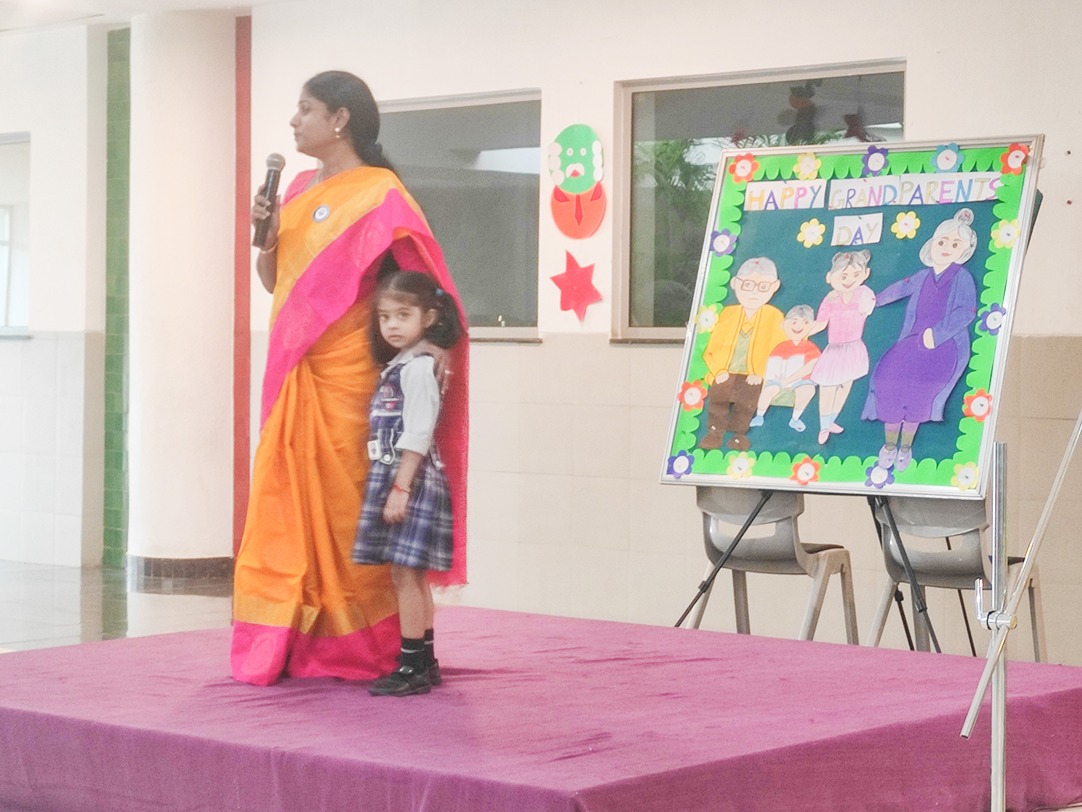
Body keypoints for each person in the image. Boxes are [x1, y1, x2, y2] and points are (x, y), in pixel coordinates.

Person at [231, 71, 469, 687]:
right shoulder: (296, 189)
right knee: (288, 508)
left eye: (305, 109)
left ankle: (381, 645)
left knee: (350, 512)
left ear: (339, 120)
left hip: (352, 377)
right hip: (295, 371)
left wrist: (434, 346)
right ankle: (296, 640)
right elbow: (275, 283)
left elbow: (419, 282)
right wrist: (266, 239)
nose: (293, 121)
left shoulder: (380, 194)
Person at [353, 271, 464, 696]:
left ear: (428, 317)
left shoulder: (418, 369)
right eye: (385, 317)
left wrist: (400, 488)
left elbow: (418, 431)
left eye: (403, 315)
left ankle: (412, 665)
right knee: (409, 575)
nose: (392, 325)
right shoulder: (400, 366)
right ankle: (425, 662)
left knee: (406, 575)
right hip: (400, 476)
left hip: (409, 478)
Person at [862, 208, 978, 473]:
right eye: (942, 242)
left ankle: (905, 448)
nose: (947, 248)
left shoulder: (961, 277)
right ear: (932, 244)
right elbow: (902, 286)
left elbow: (966, 312)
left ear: (965, 250)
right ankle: (889, 445)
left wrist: (936, 335)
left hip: (942, 348)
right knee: (887, 383)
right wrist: (875, 300)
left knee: (919, 396)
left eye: (955, 244)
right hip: (911, 342)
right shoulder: (923, 275)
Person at [700, 256, 786, 451]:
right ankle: (714, 432)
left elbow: (779, 351)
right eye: (747, 285)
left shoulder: (774, 316)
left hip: (753, 374)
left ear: (774, 287)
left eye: (763, 287)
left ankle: (739, 435)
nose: (754, 292)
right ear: (735, 284)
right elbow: (711, 348)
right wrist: (718, 370)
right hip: (725, 371)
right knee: (719, 396)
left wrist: (761, 372)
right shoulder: (727, 314)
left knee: (748, 399)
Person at [809, 250, 876, 444]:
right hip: (835, 349)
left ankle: (831, 421)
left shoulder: (864, 294)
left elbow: (867, 307)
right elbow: (821, 324)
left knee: (845, 385)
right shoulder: (830, 299)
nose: (849, 280)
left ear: (865, 274)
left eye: (855, 274)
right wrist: (804, 330)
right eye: (843, 276)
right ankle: (823, 426)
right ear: (830, 277)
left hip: (853, 347)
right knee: (827, 387)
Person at [749, 304, 821, 432]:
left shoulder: (811, 348)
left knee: (808, 390)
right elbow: (771, 366)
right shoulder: (780, 347)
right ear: (784, 325)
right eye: (794, 322)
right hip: (778, 379)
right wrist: (775, 378)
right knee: (769, 390)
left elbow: (811, 367)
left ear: (812, 326)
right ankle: (759, 415)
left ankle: (795, 419)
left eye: (805, 323)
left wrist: (789, 380)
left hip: (801, 381)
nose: (798, 326)